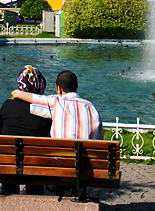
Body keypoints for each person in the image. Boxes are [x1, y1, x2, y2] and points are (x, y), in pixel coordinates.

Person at [11, 70, 103, 198]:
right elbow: (99, 140)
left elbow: (17, 93)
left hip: (60, 171)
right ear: (76, 87)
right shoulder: (91, 107)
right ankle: (79, 195)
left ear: (58, 88)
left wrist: (14, 96)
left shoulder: (55, 102)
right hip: (85, 172)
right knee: (81, 164)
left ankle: (59, 194)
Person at [0, 65, 52, 194]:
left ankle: (9, 198)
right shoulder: (43, 110)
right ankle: (35, 199)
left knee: (10, 161)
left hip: (8, 165)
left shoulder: (7, 105)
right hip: (34, 166)